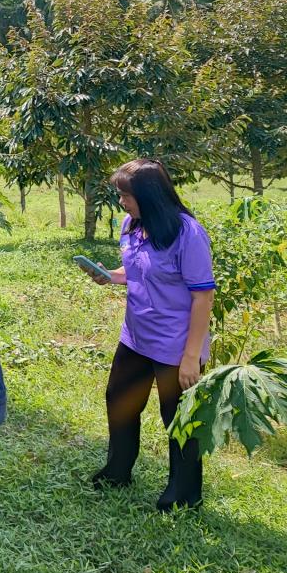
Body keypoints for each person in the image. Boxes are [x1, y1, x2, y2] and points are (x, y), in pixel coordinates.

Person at [80, 158, 215, 512]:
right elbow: (138, 269)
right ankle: (117, 470)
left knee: (178, 418)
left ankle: (184, 494)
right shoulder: (132, 225)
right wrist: (112, 275)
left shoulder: (188, 233)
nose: (121, 202)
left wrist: (190, 357)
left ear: (150, 196)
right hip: (137, 335)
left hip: (175, 343)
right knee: (119, 399)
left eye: (126, 195)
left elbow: (203, 294)